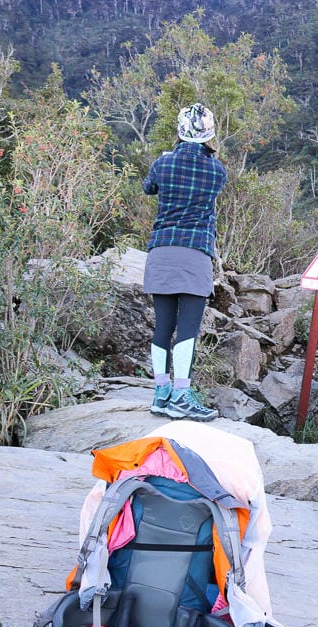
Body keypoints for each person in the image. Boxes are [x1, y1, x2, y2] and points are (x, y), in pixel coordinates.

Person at [142, 102, 226, 422]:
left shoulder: (162, 165)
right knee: (188, 329)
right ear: (209, 133)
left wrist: (166, 160)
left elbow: (149, 188)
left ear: (179, 130)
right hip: (194, 254)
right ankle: (181, 394)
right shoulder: (217, 171)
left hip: (161, 251)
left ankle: (161, 394)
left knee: (163, 326)